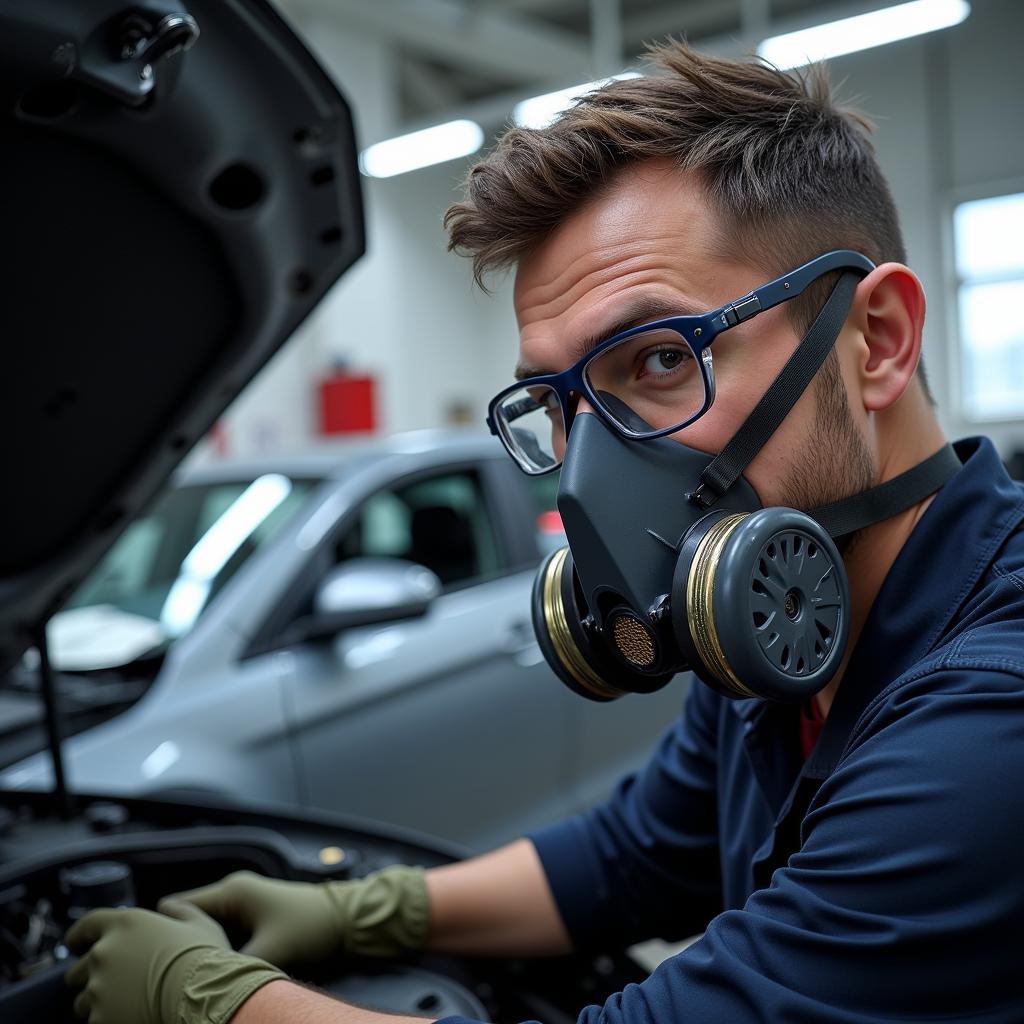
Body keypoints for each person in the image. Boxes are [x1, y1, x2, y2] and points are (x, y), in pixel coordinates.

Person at [64, 40, 1024, 1024]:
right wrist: (357, 912)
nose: (589, 469)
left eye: (657, 358)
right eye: (560, 403)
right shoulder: (777, 652)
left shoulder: (992, 726)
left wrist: (214, 1005)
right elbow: (634, 852)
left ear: (879, 342)